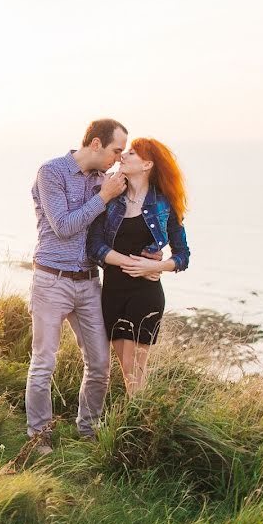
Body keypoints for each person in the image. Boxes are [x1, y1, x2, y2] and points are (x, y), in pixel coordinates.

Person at [26, 119, 128, 454]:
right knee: (44, 362)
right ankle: (39, 438)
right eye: (116, 150)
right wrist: (104, 196)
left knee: (100, 364)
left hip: (88, 282)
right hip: (50, 281)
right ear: (96, 144)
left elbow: (110, 229)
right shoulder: (52, 172)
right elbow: (64, 227)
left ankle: (87, 431)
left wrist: (152, 251)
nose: (118, 157)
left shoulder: (104, 181)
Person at [87, 137, 190, 396]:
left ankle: (138, 423)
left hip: (145, 292)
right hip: (113, 290)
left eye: (132, 153)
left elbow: (182, 255)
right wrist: (126, 261)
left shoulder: (164, 204)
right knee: (126, 369)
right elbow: (94, 245)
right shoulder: (111, 199)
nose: (124, 155)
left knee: (136, 369)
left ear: (147, 164)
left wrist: (152, 266)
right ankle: (137, 416)